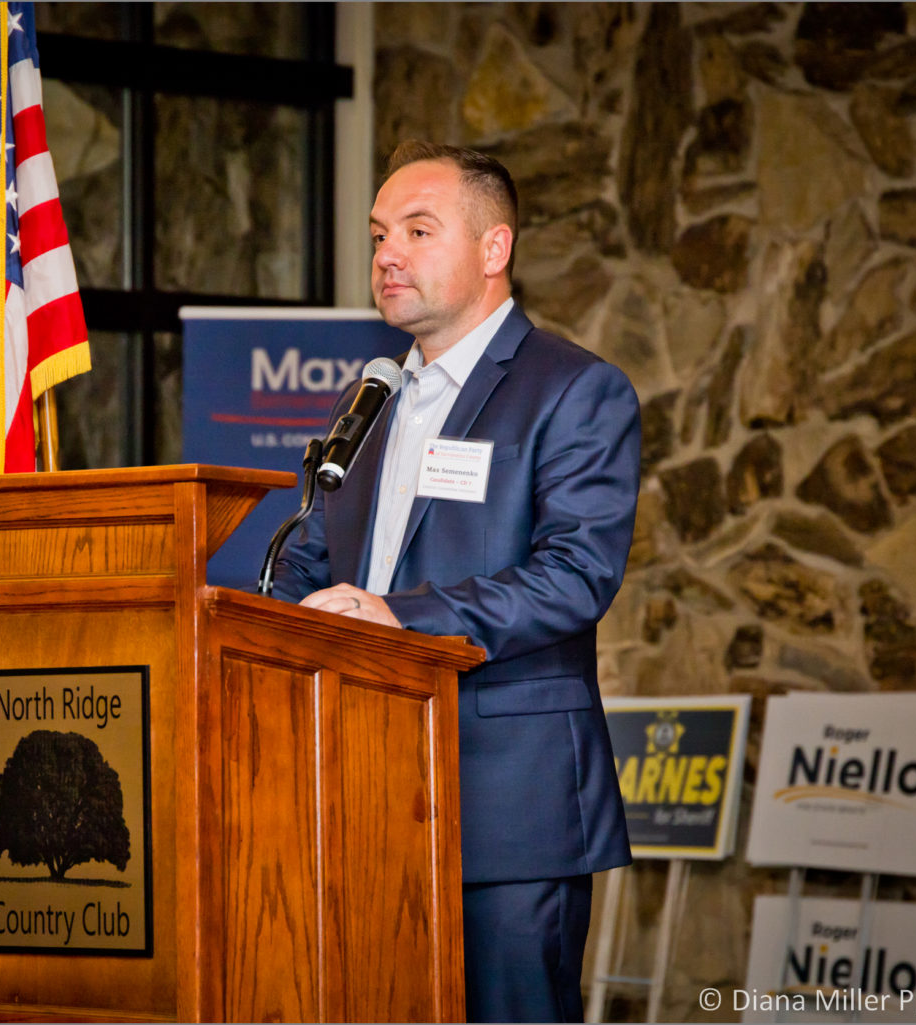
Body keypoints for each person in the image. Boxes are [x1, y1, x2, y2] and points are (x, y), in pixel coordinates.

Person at [273, 140, 641, 1023]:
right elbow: (309, 561)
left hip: (507, 811)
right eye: (378, 235)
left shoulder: (574, 390)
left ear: (493, 247)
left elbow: (575, 576)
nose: (387, 255)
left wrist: (397, 618)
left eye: (417, 230)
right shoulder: (367, 403)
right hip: (364, 796)